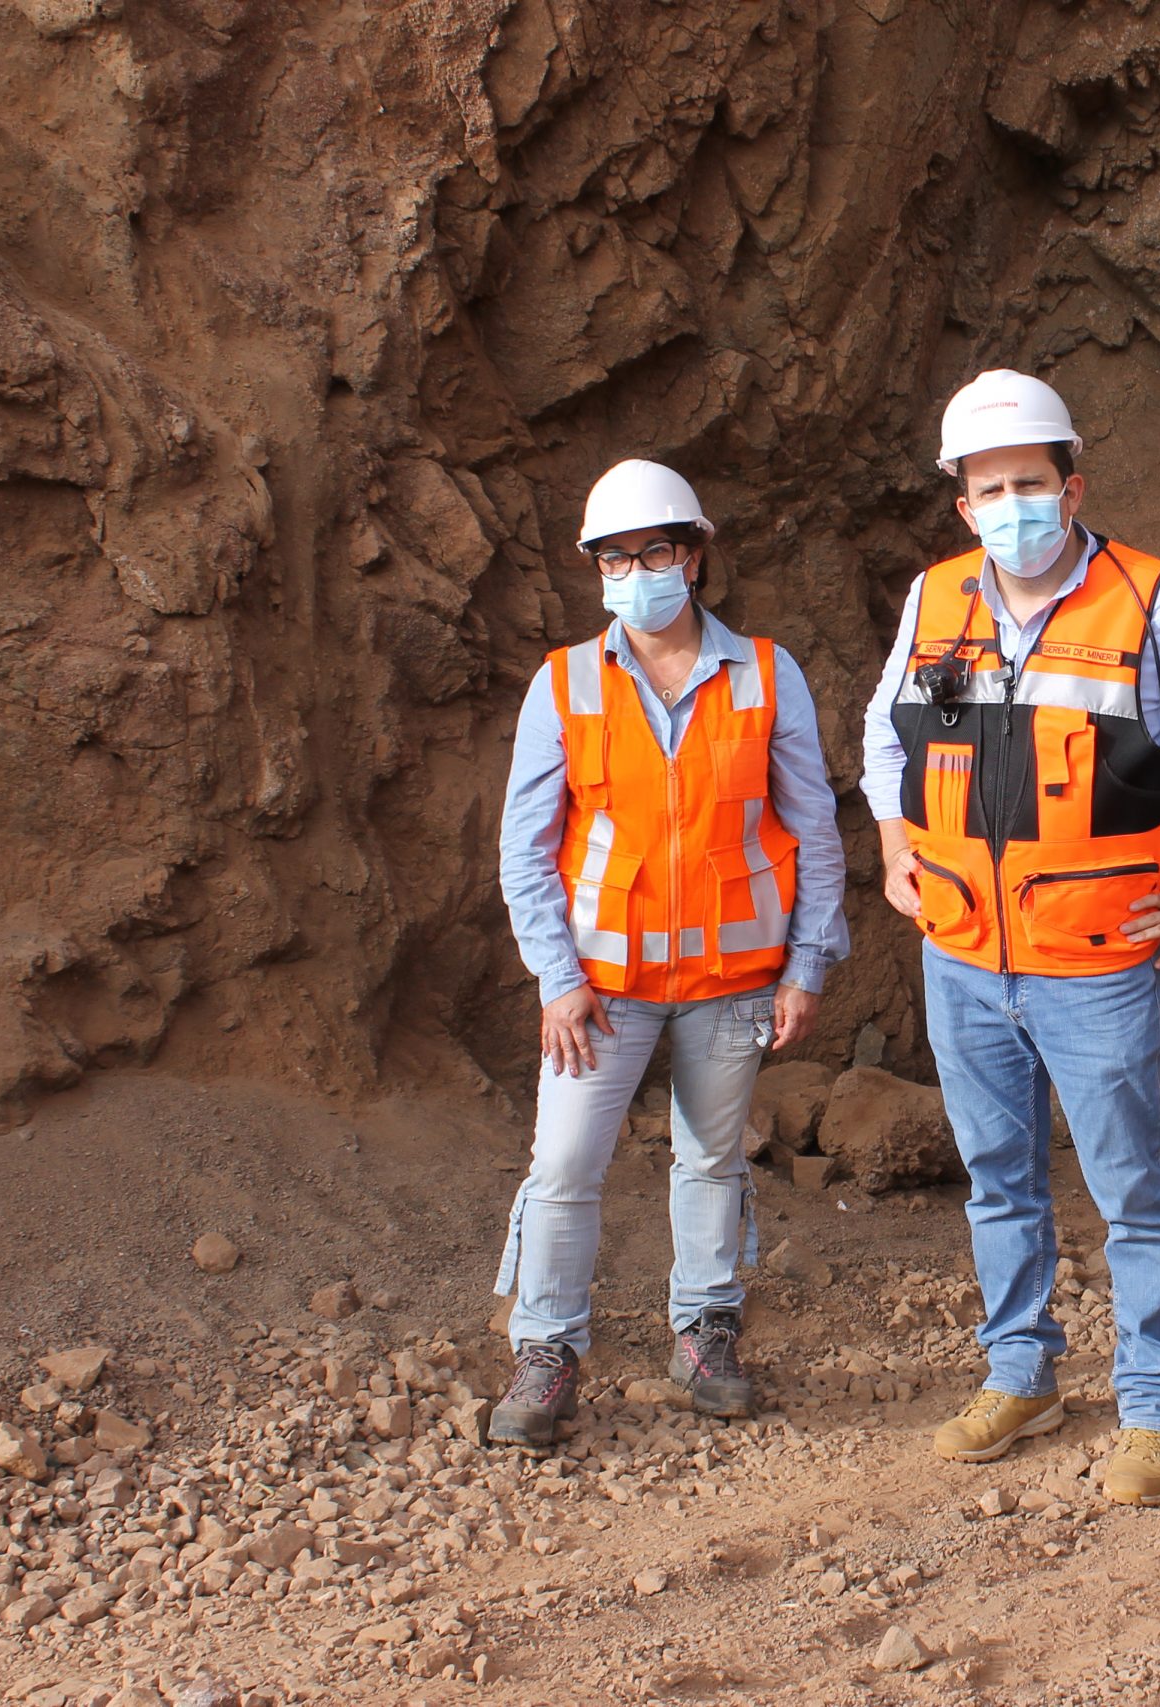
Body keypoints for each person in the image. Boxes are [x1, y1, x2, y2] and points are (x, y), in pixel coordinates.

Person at [860, 370, 1160, 1506]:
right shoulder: (935, 600)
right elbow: (885, 734)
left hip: (1099, 966)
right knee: (998, 1180)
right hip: (961, 955)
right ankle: (1023, 1374)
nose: (1011, 504)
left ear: (1071, 485)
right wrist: (895, 840)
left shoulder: (1157, 602)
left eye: (1030, 483)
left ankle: (1154, 1404)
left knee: (1129, 1191)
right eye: (988, 488)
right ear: (962, 505)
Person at [488, 459, 849, 1453]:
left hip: (732, 982)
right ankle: (546, 1352)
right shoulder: (563, 683)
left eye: (653, 552)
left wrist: (807, 963)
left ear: (692, 559)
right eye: (614, 557)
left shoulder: (767, 676)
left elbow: (813, 828)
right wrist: (555, 978)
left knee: (711, 1162)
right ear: (597, 571)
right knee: (562, 1165)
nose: (634, 571)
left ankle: (705, 1334)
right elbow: (525, 847)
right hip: (600, 989)